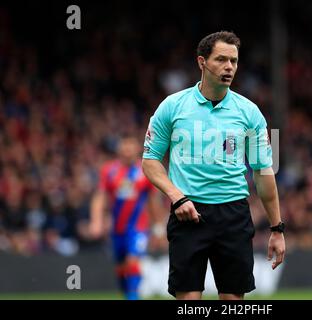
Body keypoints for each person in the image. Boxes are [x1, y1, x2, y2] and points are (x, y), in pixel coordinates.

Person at [142, 31, 285, 300]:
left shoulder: (251, 112)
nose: (229, 67)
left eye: (234, 61)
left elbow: (265, 172)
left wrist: (277, 229)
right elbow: (149, 161)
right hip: (187, 213)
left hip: (234, 214)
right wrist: (176, 197)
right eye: (221, 59)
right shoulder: (171, 107)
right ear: (202, 62)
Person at [89, 135, 164, 300]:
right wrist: (96, 221)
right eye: (125, 145)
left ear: (137, 148)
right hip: (117, 230)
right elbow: (99, 197)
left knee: (132, 262)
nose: (128, 149)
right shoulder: (109, 170)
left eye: (131, 145)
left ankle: (133, 297)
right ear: (119, 148)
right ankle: (128, 294)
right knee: (121, 268)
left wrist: (158, 228)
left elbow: (153, 201)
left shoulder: (145, 171)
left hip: (138, 228)